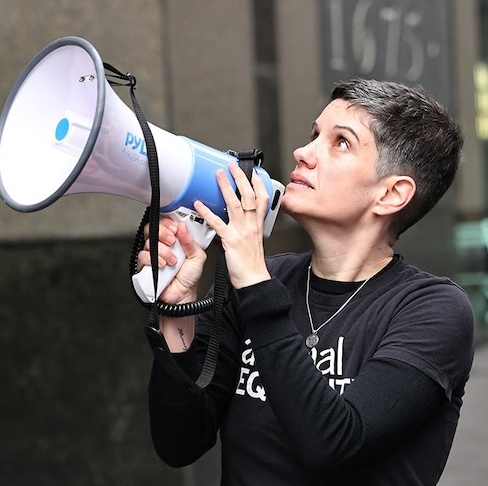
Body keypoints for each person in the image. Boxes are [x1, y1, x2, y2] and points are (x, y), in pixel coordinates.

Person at [137, 78, 474, 485]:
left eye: (341, 142)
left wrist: (256, 285)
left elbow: (332, 442)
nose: (303, 152)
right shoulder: (266, 278)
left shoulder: (433, 310)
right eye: (314, 134)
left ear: (391, 194)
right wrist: (177, 307)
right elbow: (179, 443)